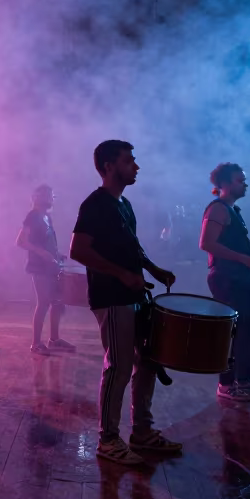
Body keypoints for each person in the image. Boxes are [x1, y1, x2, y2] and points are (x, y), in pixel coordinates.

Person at [70, 140, 180, 467]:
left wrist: (151, 268)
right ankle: (107, 440)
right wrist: (121, 275)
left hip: (134, 294)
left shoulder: (124, 205)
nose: (136, 166)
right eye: (129, 161)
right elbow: (78, 251)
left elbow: (133, 246)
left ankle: (142, 431)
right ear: (108, 167)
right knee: (118, 366)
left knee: (147, 361)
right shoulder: (95, 204)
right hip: (111, 297)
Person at [199, 163, 250, 401]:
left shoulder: (234, 211)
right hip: (226, 279)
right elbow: (207, 244)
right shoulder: (218, 210)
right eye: (239, 180)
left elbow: (235, 245)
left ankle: (243, 380)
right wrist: (243, 258)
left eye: (244, 180)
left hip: (240, 278)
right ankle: (226, 385)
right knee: (232, 333)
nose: (244, 184)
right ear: (224, 184)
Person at [17, 184, 74, 355]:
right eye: (47, 195)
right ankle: (36, 343)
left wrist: (57, 254)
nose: (51, 198)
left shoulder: (46, 217)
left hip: (51, 266)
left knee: (57, 301)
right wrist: (42, 253)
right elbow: (21, 241)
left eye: (51, 195)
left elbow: (46, 241)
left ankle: (54, 340)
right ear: (37, 197)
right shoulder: (32, 216)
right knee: (43, 303)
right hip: (39, 267)